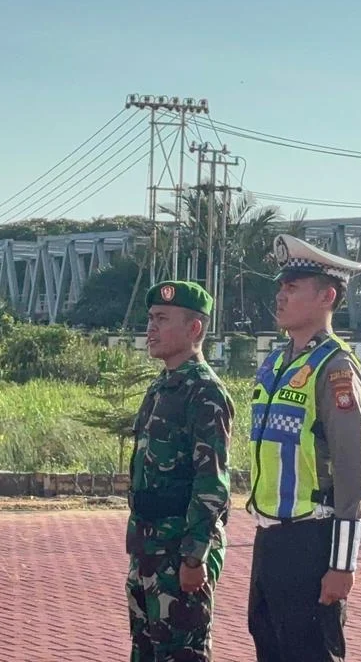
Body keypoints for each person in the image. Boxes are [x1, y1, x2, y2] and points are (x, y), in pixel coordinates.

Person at [246, 234, 361, 662]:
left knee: (309, 650)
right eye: (281, 287)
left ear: (326, 296)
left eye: (293, 287)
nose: (280, 296)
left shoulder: (335, 367)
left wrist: (342, 563)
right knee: (269, 644)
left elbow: (351, 472)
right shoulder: (276, 362)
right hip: (269, 536)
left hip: (312, 538)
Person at [126, 281, 235, 662]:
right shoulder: (162, 386)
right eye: (150, 319)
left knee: (183, 654)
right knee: (146, 652)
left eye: (162, 319)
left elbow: (212, 481)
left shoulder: (205, 392)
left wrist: (195, 556)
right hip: (148, 548)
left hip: (180, 552)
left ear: (194, 328)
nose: (150, 328)